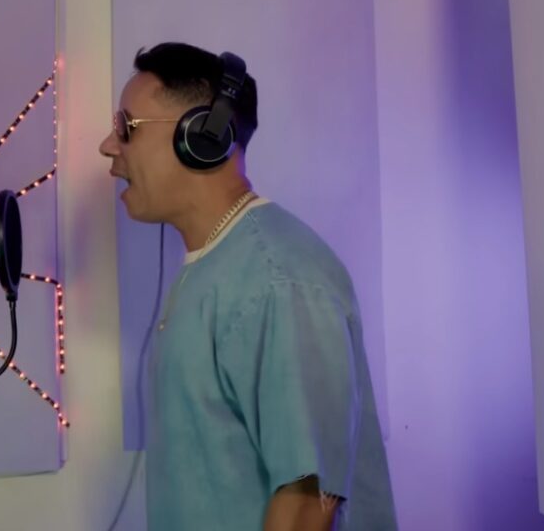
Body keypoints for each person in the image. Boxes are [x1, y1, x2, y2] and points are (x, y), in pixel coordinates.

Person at [99, 42, 397, 530]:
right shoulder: (216, 268)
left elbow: (307, 505)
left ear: (203, 136)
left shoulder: (279, 281)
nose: (108, 146)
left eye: (127, 127)